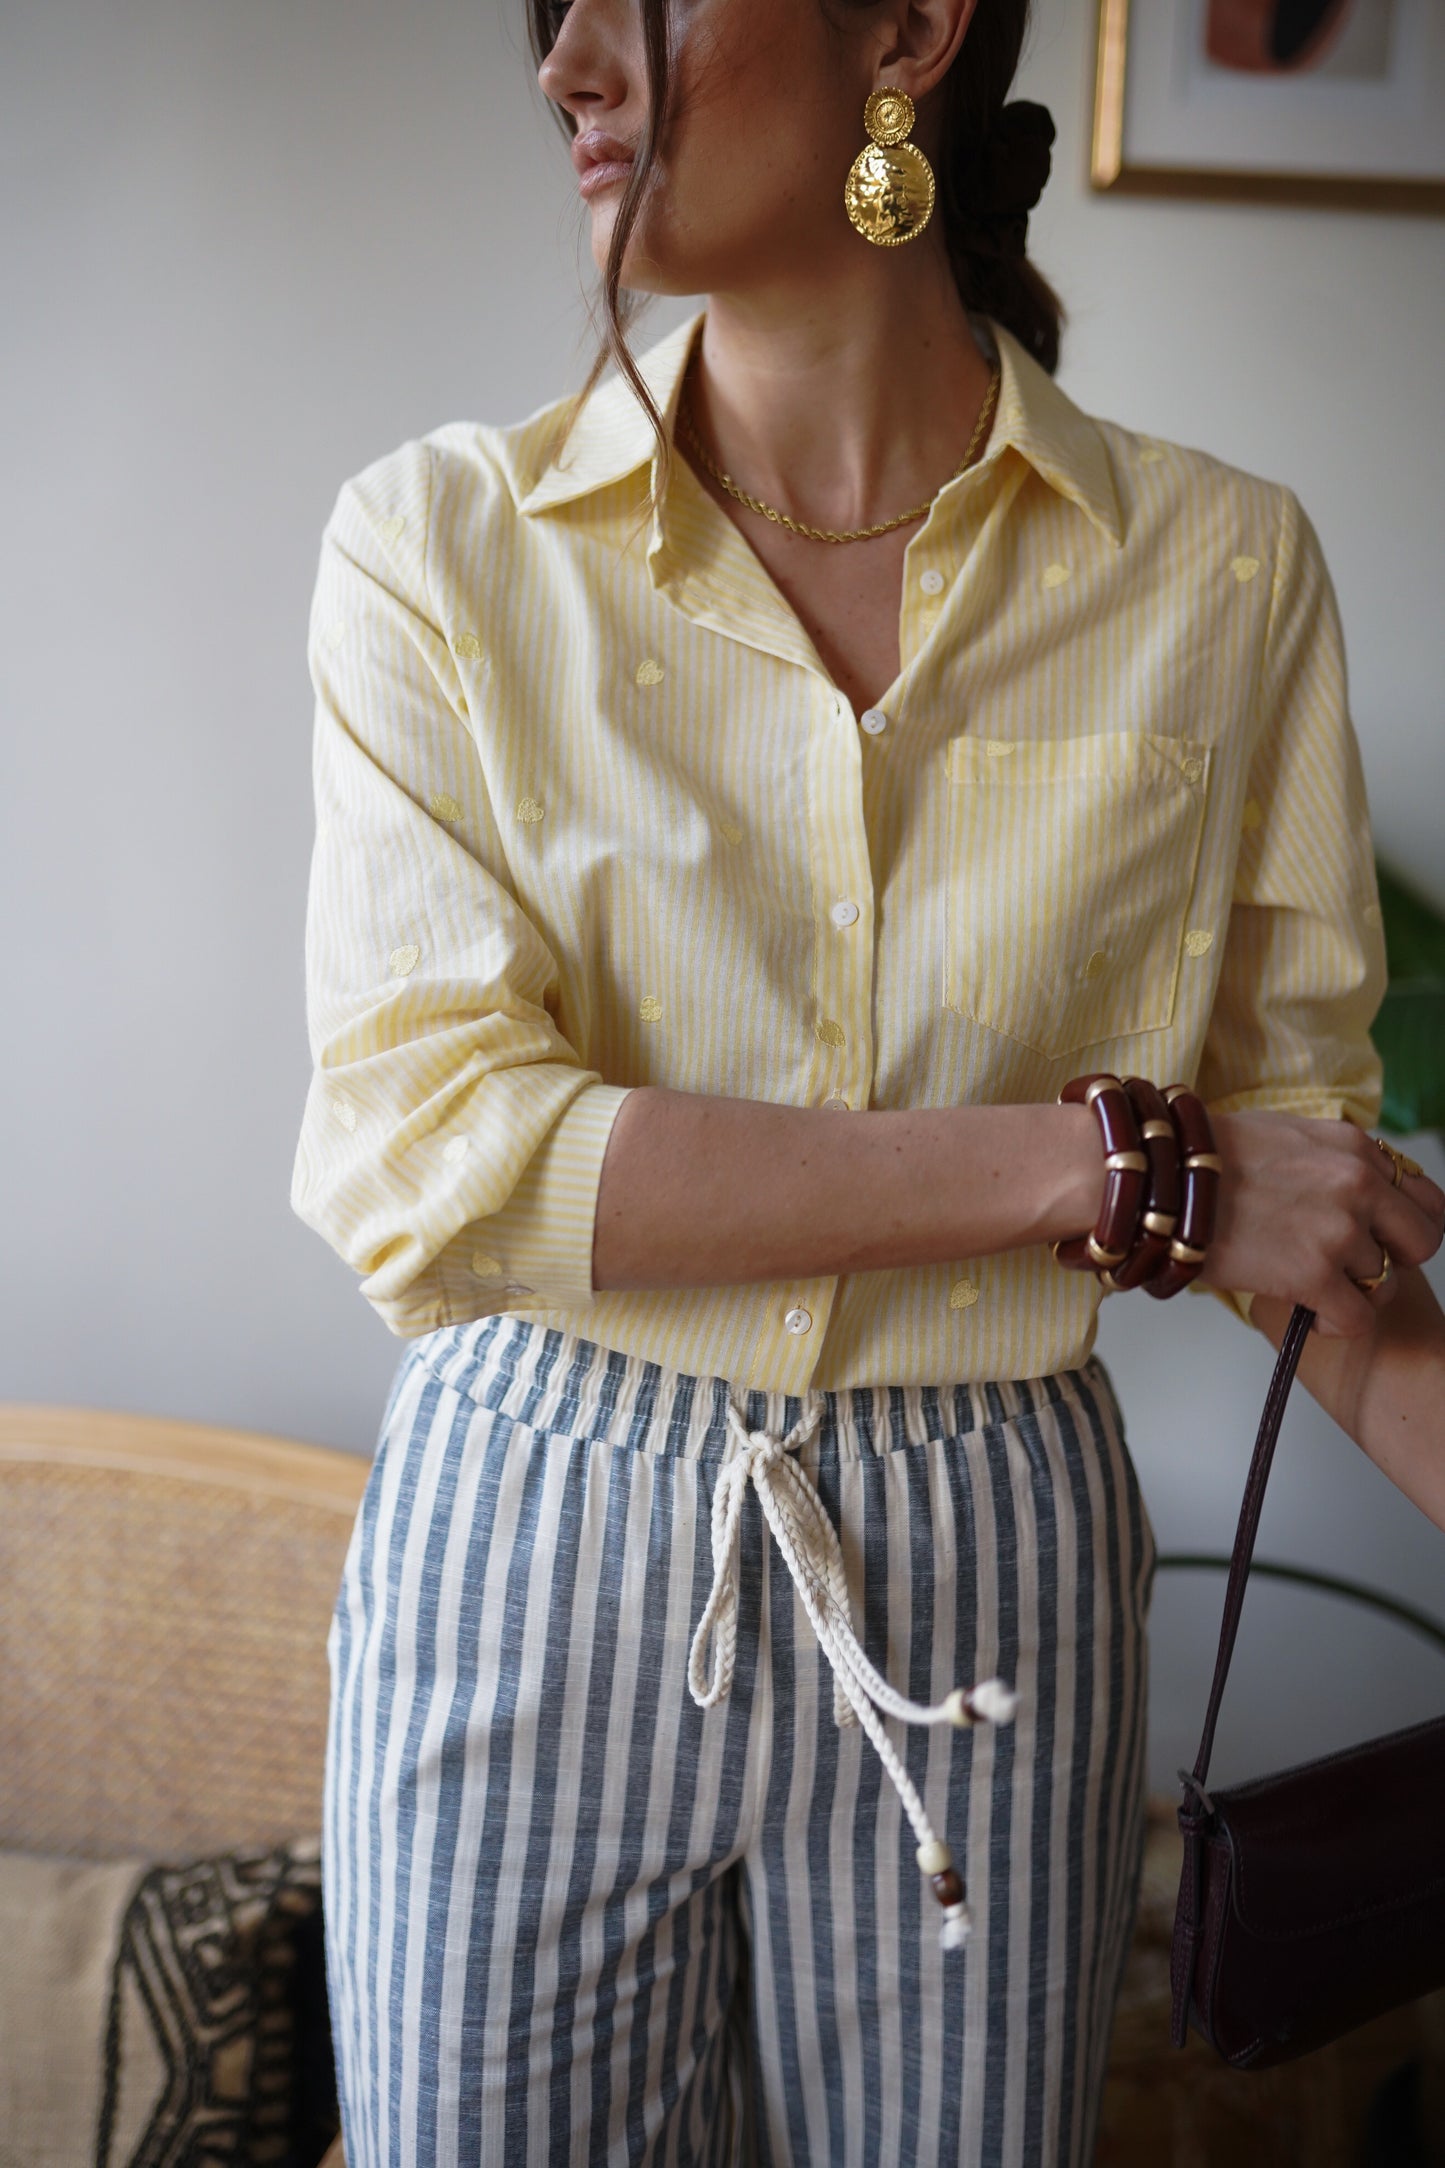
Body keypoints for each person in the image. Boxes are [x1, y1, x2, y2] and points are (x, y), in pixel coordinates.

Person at [292, 0, 1445, 2159]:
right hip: (538, 1519)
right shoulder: (439, 551)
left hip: (995, 1557)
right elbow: (439, 1162)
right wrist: (1103, 1169)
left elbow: (1294, 1203)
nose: (563, 68)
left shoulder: (1221, 571)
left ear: (904, 31)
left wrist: (1192, 1188)